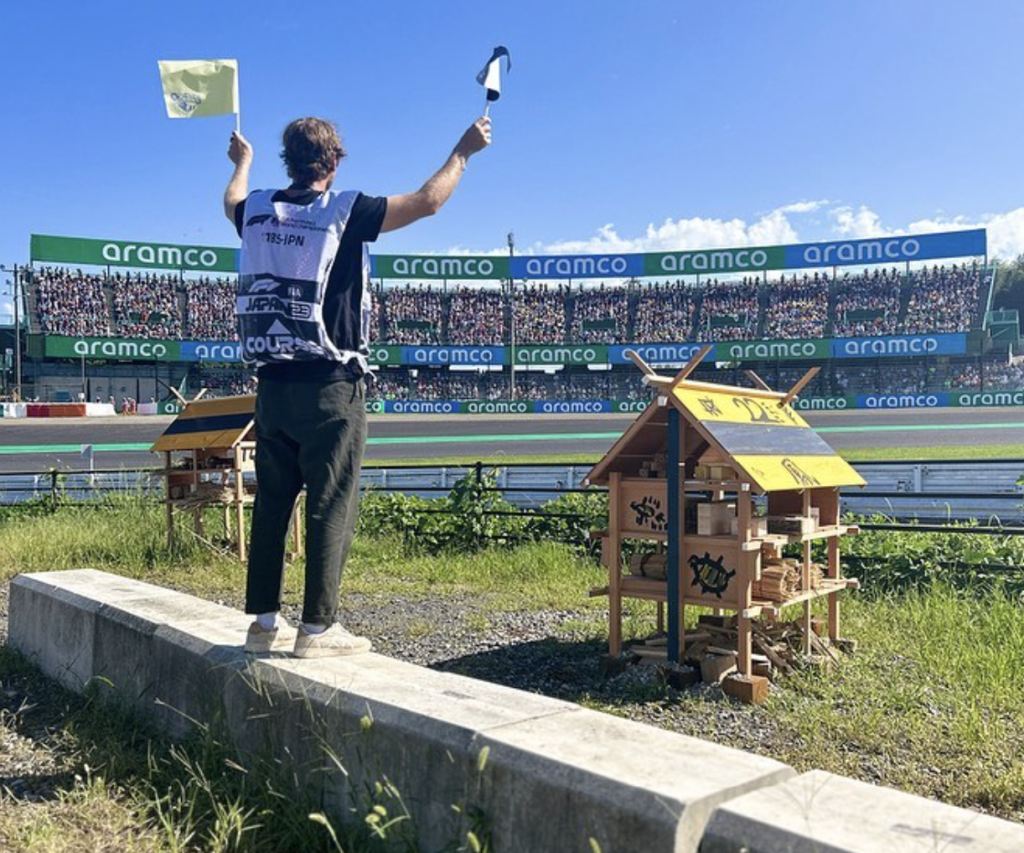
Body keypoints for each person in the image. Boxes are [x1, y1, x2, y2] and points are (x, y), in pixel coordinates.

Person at [224, 113, 491, 658]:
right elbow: (427, 202)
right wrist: (463, 152)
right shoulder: (344, 209)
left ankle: (262, 625)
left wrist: (242, 164)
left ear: (289, 161)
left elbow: (230, 199)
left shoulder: (255, 208)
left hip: (271, 387)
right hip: (330, 387)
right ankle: (318, 631)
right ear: (334, 161)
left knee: (273, 506)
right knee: (331, 505)